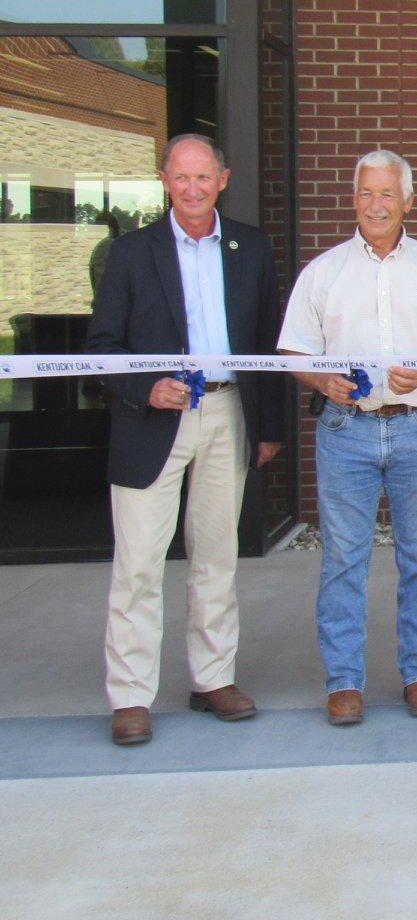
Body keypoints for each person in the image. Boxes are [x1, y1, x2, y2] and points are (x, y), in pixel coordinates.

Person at [86, 133, 284, 746]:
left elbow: (268, 340)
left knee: (217, 556)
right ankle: (130, 696)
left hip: (227, 413)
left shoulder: (249, 246)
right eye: (181, 177)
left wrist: (271, 427)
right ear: (164, 181)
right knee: (139, 564)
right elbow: (101, 350)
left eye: (204, 177)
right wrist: (148, 386)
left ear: (222, 179)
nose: (193, 188)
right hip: (150, 421)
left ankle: (214, 679)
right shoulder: (129, 253)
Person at [279, 150, 417, 726]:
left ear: (407, 202)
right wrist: (321, 378)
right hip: (346, 430)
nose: (375, 205)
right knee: (344, 561)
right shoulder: (323, 272)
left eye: (387, 194)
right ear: (354, 199)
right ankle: (344, 683)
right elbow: (293, 350)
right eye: (366, 193)